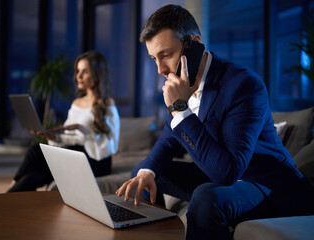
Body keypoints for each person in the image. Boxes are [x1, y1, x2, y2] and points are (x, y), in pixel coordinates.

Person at [116, 4, 314, 240]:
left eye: (166, 55)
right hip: (217, 174)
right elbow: (169, 140)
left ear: (194, 43)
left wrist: (180, 109)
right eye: (153, 58)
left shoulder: (243, 85)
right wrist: (147, 170)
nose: (160, 69)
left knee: (206, 196)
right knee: (143, 172)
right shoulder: (184, 85)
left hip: (265, 184)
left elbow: (227, 173)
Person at [8, 51, 120, 192]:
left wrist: (82, 129)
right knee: (35, 172)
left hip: (97, 160)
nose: (78, 76)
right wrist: (54, 136)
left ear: (97, 74)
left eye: (84, 71)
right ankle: (9, 194)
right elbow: (69, 137)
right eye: (78, 71)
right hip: (75, 153)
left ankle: (9, 191)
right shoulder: (76, 103)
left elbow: (111, 146)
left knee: (36, 152)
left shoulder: (106, 103)